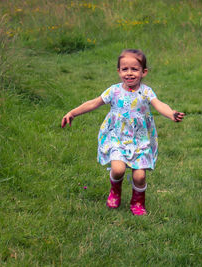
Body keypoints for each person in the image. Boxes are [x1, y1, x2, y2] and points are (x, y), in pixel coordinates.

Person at [61, 49, 185, 215]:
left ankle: (138, 202)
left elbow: (159, 104)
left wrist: (171, 114)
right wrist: (72, 113)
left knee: (139, 176)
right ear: (119, 71)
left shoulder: (146, 92)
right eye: (125, 69)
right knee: (118, 169)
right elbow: (93, 103)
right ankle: (115, 192)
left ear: (144, 72)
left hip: (140, 140)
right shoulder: (114, 91)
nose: (129, 73)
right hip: (117, 137)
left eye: (134, 69)